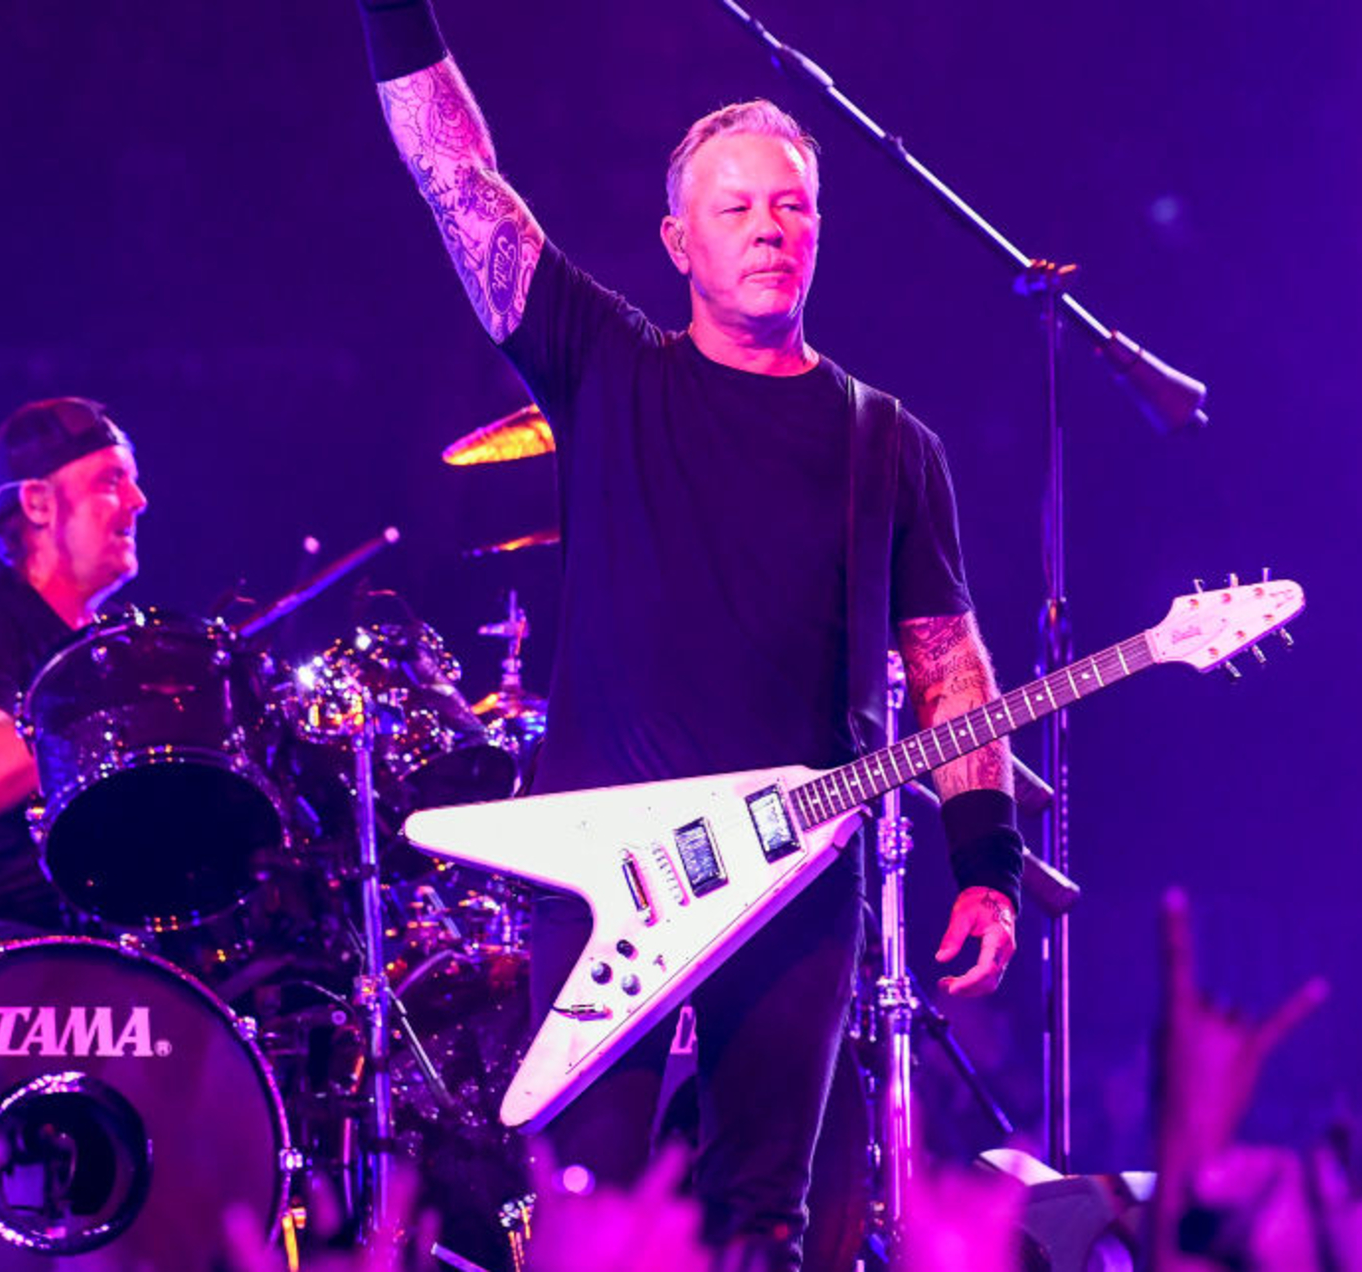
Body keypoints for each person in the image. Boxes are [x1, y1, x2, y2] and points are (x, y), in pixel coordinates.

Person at [354, 5, 1027, 1268]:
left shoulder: (886, 442)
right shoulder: (609, 370)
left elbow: (948, 667)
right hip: (609, 871)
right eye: (736, 209)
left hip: (796, 885)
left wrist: (983, 859)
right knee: (585, 1218)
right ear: (676, 240)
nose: (770, 228)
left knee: (762, 1222)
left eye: (792, 207)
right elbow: (458, 181)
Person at [0, 397, 147, 962]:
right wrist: (105, 711)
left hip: (93, 941)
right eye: (112, 482)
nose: (138, 502)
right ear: (38, 503)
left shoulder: (103, 644)